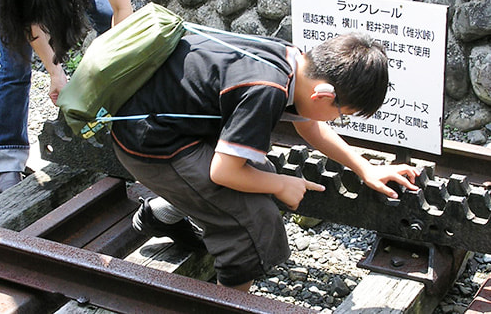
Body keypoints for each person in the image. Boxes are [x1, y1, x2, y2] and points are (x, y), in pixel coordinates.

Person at [109, 31, 420, 291]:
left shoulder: (293, 59)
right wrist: (283, 184)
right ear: (323, 96)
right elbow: (224, 172)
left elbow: (308, 123)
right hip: (152, 144)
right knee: (253, 223)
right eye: (342, 115)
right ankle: (227, 304)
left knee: (259, 171)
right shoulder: (267, 89)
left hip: (168, 125)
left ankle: (161, 213)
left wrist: (364, 167)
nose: (337, 120)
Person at [0, 0, 132, 192]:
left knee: (107, 16)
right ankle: (8, 159)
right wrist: (55, 72)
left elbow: (122, 9)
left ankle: (127, 129)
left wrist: (118, 72)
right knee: (15, 60)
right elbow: (30, 22)